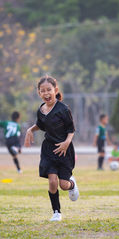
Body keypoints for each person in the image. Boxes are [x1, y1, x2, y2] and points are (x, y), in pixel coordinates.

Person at [24, 75, 79, 222]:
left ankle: (72, 184)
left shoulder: (63, 109)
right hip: (49, 149)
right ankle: (56, 212)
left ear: (55, 90)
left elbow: (71, 129)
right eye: (43, 91)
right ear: (39, 93)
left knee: (63, 185)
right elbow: (41, 125)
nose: (46, 93)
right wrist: (30, 129)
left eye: (49, 90)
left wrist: (67, 142)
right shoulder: (41, 110)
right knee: (52, 181)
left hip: (64, 150)